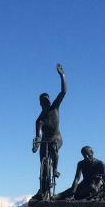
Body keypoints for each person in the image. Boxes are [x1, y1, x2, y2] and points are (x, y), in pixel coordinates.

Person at [31, 64, 66, 198]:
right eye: (43, 102)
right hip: (45, 140)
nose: (46, 103)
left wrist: (62, 75)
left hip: (56, 138)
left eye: (47, 101)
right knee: (43, 163)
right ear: (40, 104)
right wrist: (36, 144)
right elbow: (38, 135)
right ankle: (42, 188)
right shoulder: (39, 120)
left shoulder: (55, 108)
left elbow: (63, 92)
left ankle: (55, 169)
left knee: (54, 150)